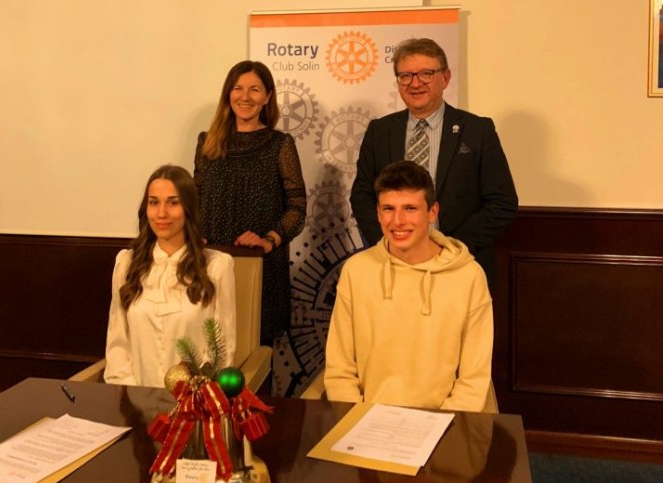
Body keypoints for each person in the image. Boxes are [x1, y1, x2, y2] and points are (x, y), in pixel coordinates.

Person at [325, 161, 495, 412]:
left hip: (444, 422)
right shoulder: (356, 271)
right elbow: (340, 370)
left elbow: (473, 380)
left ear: (432, 212)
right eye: (388, 209)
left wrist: (439, 425)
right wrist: (356, 418)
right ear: (378, 213)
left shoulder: (469, 276)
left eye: (410, 208)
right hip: (367, 420)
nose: (398, 221)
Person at [350, 38, 518, 286]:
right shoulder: (380, 131)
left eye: (426, 74)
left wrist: (448, 248)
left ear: (445, 78)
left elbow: (503, 202)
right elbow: (362, 195)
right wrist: (389, 245)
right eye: (405, 76)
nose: (415, 83)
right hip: (393, 266)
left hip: (459, 266)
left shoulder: (477, 131)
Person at [194, 60, 306, 346]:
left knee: (255, 358)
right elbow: (195, 199)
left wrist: (268, 240)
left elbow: (297, 208)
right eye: (238, 88)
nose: (245, 97)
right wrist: (194, 234)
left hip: (262, 269)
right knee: (208, 352)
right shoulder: (207, 143)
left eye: (254, 89)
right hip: (211, 265)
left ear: (268, 97)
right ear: (228, 94)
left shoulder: (280, 144)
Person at [104, 165, 236, 388]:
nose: (162, 213)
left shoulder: (217, 267)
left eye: (173, 203)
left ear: (188, 208)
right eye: (154, 202)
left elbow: (221, 351)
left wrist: (194, 397)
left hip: (195, 400)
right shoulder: (126, 264)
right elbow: (117, 345)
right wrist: (133, 395)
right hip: (136, 399)